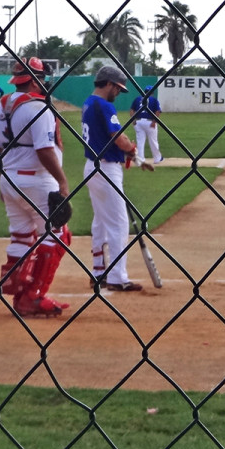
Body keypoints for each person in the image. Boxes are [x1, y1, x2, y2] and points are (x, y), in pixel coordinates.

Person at [0, 57, 71, 317]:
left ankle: (20, 291)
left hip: (10, 178)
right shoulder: (39, 108)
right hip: (37, 179)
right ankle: (32, 296)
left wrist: (2, 179)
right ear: (34, 80)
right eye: (42, 78)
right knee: (58, 235)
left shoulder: (0, 108)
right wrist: (62, 181)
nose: (45, 83)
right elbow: (44, 150)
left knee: (22, 236)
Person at [81, 65, 143, 292]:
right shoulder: (104, 106)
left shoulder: (88, 102)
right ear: (107, 83)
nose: (118, 92)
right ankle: (117, 277)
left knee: (100, 222)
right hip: (106, 169)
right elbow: (118, 136)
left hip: (93, 167)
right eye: (117, 88)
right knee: (118, 223)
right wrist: (133, 152)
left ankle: (99, 272)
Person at [129, 85, 164, 164]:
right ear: (152, 92)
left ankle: (141, 159)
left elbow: (131, 110)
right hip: (149, 122)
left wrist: (133, 120)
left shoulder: (137, 99)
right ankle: (157, 158)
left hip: (138, 122)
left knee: (140, 141)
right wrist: (154, 122)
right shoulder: (154, 100)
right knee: (153, 141)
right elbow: (157, 111)